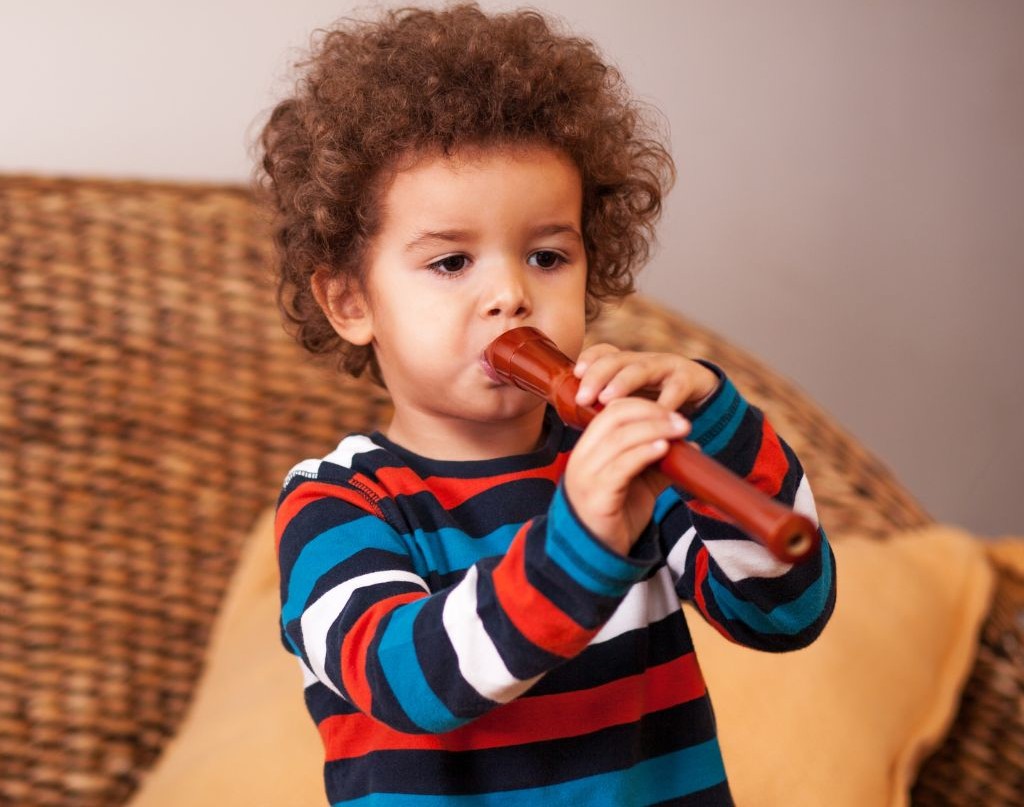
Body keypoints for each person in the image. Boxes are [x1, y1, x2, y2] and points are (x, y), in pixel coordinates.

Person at [257, 4, 835, 805]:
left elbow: (786, 613)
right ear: (351, 301)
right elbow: (416, 682)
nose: (511, 295)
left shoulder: (617, 461)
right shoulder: (335, 502)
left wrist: (716, 426)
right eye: (453, 260)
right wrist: (584, 540)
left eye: (547, 254)